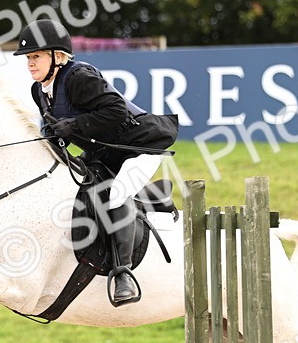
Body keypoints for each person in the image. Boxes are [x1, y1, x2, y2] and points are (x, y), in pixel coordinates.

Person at [13, 19, 179, 307]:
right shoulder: (39, 90)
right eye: (28, 57)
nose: (30, 63)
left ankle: (123, 273)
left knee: (115, 195)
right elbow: (51, 133)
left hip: (138, 145)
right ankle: (152, 197)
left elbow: (115, 110)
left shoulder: (80, 77)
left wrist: (74, 125)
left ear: (58, 56)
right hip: (103, 153)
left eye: (36, 56)